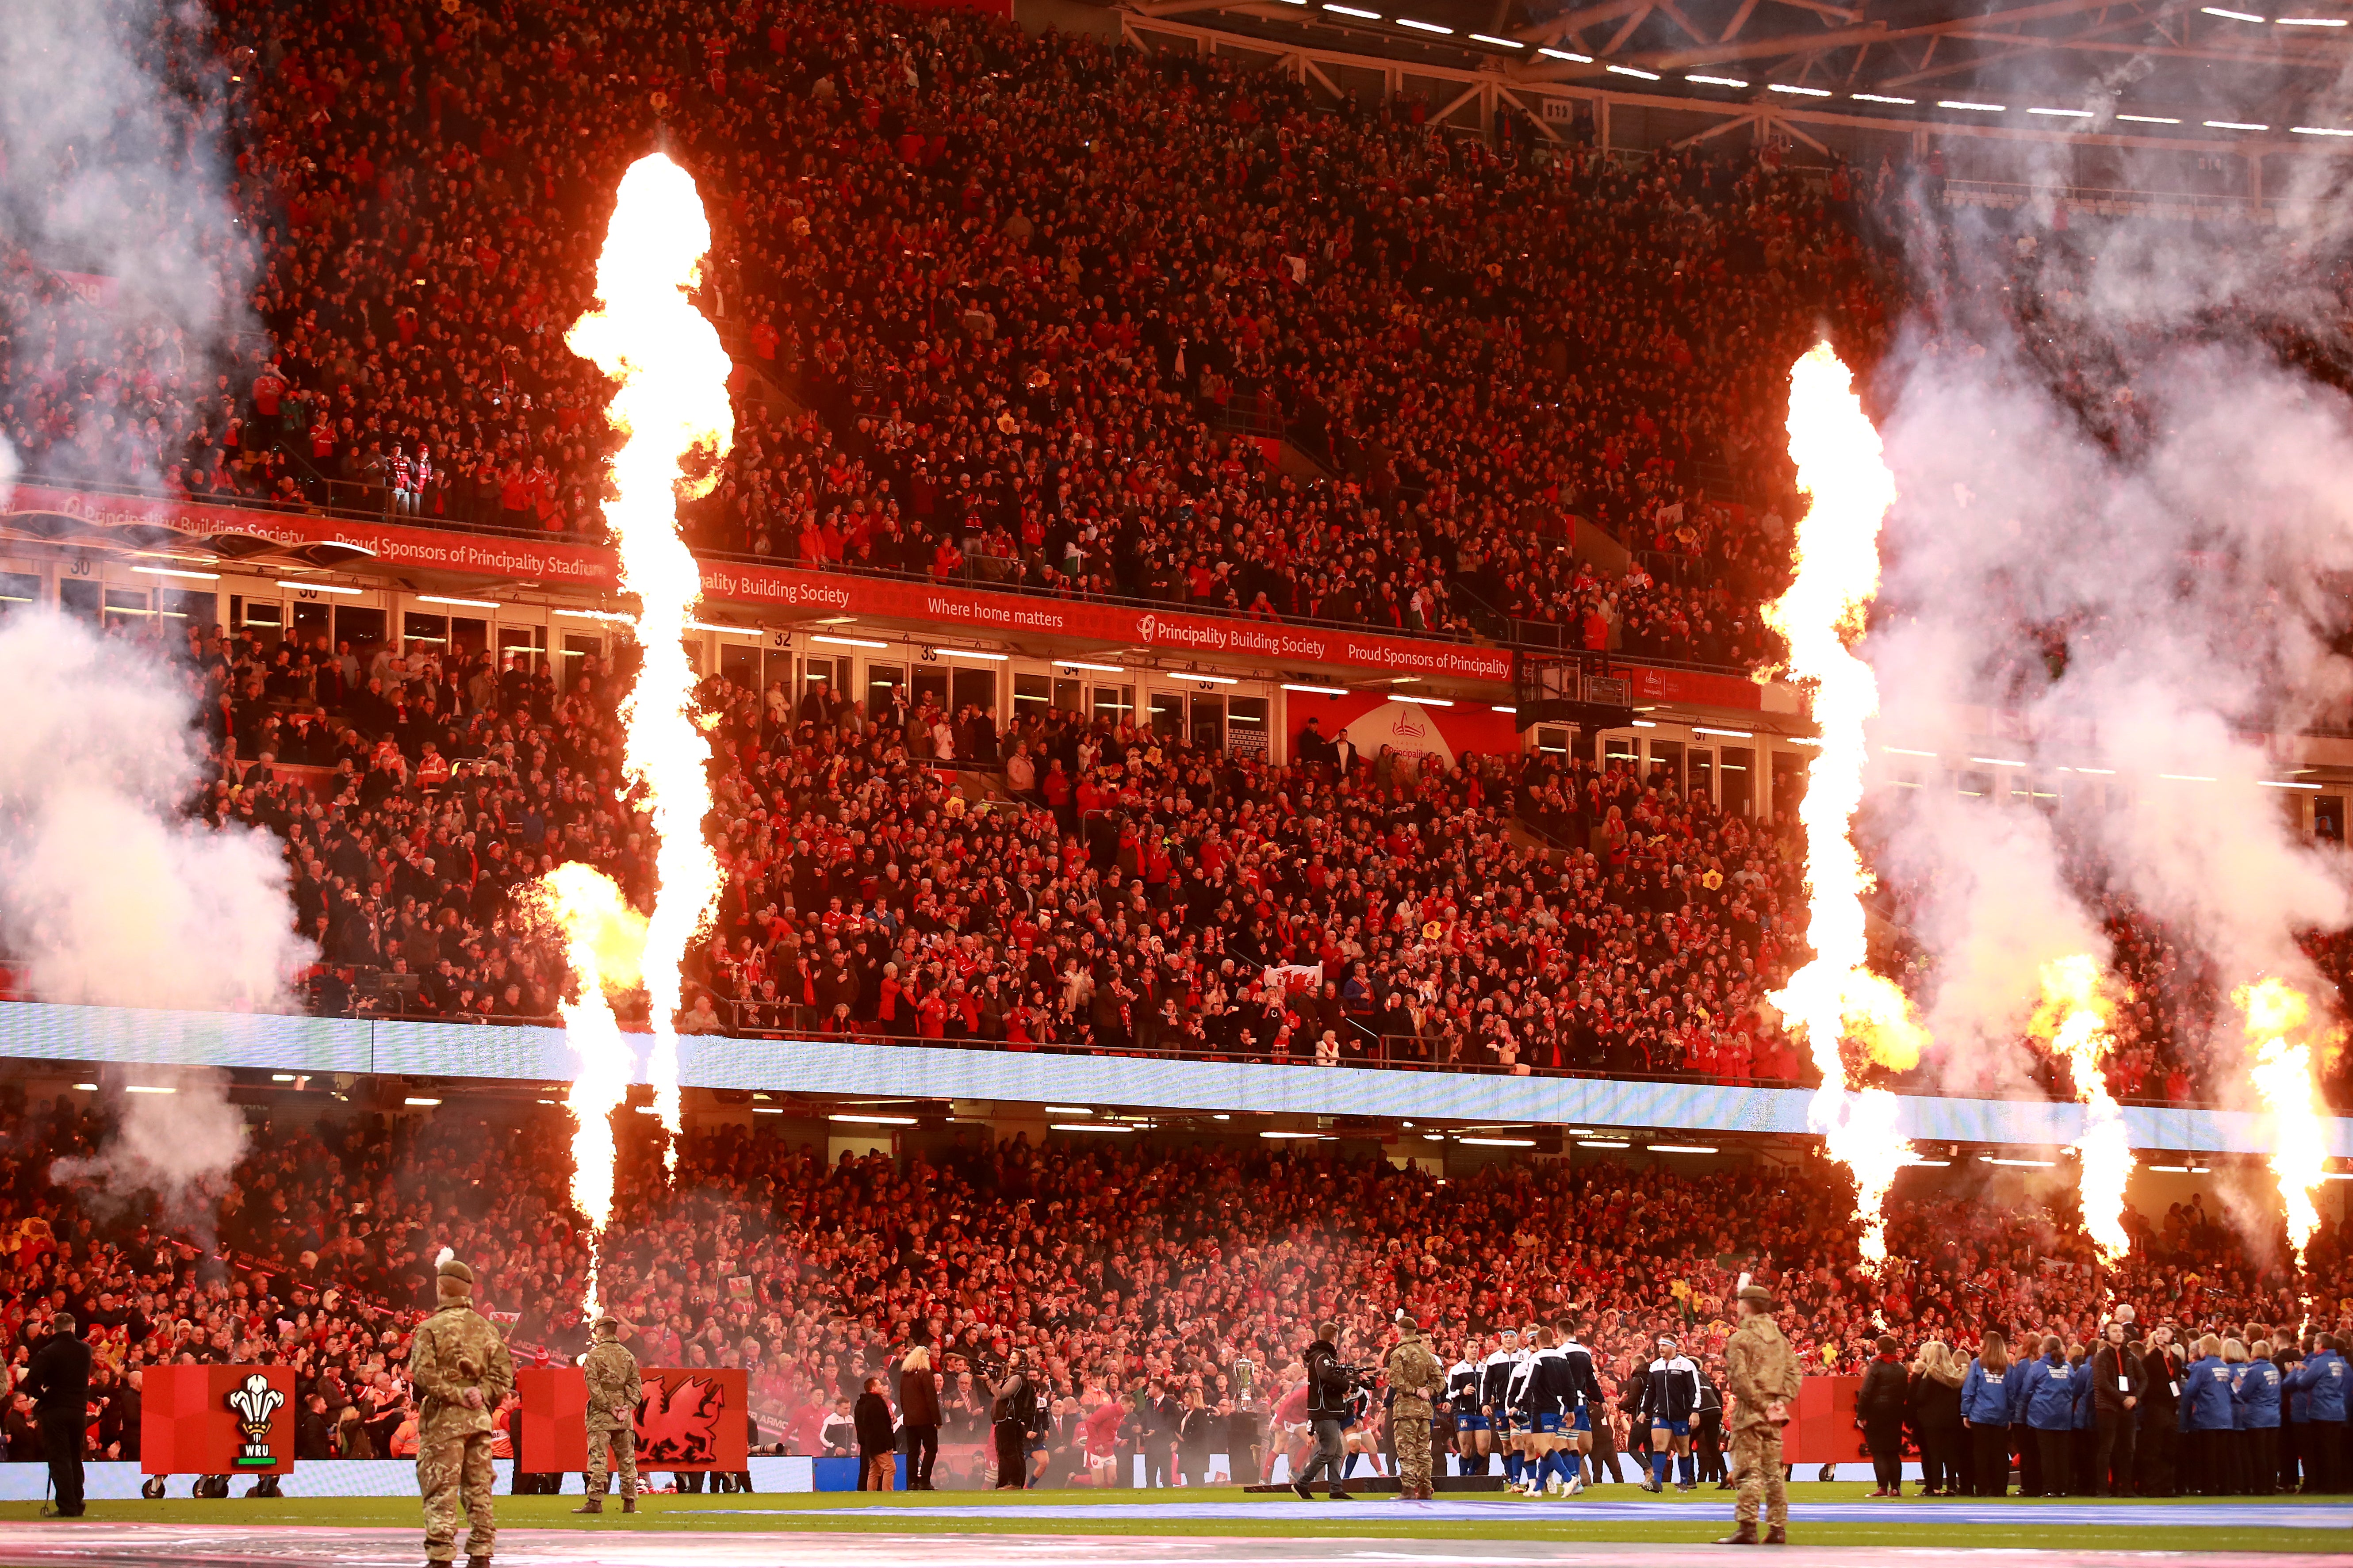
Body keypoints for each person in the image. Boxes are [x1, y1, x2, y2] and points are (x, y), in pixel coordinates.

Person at [409, 1257, 515, 1568]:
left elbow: (423, 1375)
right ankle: (482, 1551)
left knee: (441, 1488)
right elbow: (504, 1376)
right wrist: (480, 1393)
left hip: (444, 1421)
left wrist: (455, 1394)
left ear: (441, 1288)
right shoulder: (487, 1329)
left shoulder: (430, 1328)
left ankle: (441, 1555)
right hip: (479, 1420)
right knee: (479, 1488)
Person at [1718, 1282, 1801, 1546]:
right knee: (1774, 1473)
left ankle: (1747, 1527)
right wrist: (1779, 1402)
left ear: (1745, 1305)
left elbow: (1739, 1380)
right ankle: (1778, 1529)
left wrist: (1760, 1404)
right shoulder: (1781, 1341)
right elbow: (1794, 1375)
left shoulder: (1740, 1339)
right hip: (1773, 1415)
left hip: (1749, 1413)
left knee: (1747, 1471)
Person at [24, 1314, 92, 1518]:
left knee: (59, 1458)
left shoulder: (49, 1351)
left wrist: (41, 1395)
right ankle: (77, 1501)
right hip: (79, 1410)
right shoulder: (85, 1350)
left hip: (56, 1409)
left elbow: (32, 1379)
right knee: (74, 1456)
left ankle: (67, 1505)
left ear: (54, 1329)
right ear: (72, 1328)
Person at [573, 1316, 640, 1514]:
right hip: (624, 1417)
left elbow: (593, 1387)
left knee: (598, 1458)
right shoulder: (628, 1356)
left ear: (601, 1331)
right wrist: (627, 1407)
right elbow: (636, 1387)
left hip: (601, 1416)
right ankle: (630, 1502)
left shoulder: (594, 1356)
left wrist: (609, 1407)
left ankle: (595, 1500)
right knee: (627, 1459)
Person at [1292, 1320, 1355, 1500]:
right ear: (1334, 1338)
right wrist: (1345, 1385)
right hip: (1324, 1409)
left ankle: (1336, 1489)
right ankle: (1302, 1483)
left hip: (1328, 1409)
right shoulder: (1323, 1357)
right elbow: (1328, 1375)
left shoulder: (1320, 1356)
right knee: (1328, 1451)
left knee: (1336, 1451)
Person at [1384, 1311, 1444, 1500]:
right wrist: (1429, 1391)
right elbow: (1440, 1381)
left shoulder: (1398, 1353)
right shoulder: (1428, 1355)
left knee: (1407, 1450)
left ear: (1401, 1332)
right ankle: (1426, 1489)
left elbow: (1396, 1381)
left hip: (1405, 1410)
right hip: (1425, 1411)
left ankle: (1408, 1490)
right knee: (1424, 1451)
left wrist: (1413, 1390)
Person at [1633, 1331, 1702, 1493]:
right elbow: (1650, 1391)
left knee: (1683, 1449)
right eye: (1659, 1346)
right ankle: (1657, 1482)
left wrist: (1695, 1411)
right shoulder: (1655, 1366)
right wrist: (1643, 1411)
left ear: (1673, 1347)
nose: (1660, 1349)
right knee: (1659, 1446)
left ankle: (1684, 1481)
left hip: (1681, 1414)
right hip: (1661, 1413)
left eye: (1663, 1345)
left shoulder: (1686, 1365)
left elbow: (1695, 1390)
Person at [2284, 1332, 2346, 1493]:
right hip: (2338, 1410)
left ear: (2321, 1345)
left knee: (2324, 1450)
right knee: (2334, 1451)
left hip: (2322, 1410)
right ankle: (2335, 1485)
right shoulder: (2338, 1362)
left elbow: (2303, 1383)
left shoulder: (2320, 1362)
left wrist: (2298, 1370)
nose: (2315, 1346)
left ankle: (2325, 1486)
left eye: (2316, 1343)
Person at [2177, 1333, 2235, 1497]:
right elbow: (2231, 1391)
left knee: (2208, 1454)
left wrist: (2186, 1413)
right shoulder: (2225, 1367)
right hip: (2225, 1415)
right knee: (2222, 1454)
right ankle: (2225, 1488)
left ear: (2206, 1349)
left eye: (2202, 1347)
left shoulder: (2202, 1368)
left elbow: (2190, 1391)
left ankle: (2209, 1488)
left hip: (2208, 1415)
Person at [2090, 1320, 2143, 1496]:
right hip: (2108, 1408)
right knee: (2107, 1449)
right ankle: (2103, 1488)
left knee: (2128, 1449)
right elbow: (2102, 1383)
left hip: (2127, 1408)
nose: (2120, 1334)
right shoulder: (2101, 1357)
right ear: (2106, 1335)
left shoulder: (2130, 1356)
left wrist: (2135, 1397)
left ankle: (2126, 1488)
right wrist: (2124, 1399)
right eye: (2115, 1331)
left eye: (2121, 1331)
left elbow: (2143, 1378)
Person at [1959, 1329, 2015, 1497]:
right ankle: (2000, 1489)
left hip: (1980, 1414)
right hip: (2000, 1415)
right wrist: (2010, 1415)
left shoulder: (1978, 1364)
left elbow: (1969, 1390)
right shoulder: (2007, 1367)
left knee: (1981, 1454)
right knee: (2000, 1454)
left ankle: (1982, 1489)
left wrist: (1966, 1412)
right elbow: (2011, 1393)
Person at [1908, 1340, 1966, 1497]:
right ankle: (1952, 1487)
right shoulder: (1957, 1375)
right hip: (1952, 1420)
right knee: (1950, 1454)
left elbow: (1919, 1398)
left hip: (1932, 1421)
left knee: (1935, 1454)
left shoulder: (1930, 1375)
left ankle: (1935, 1488)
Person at [1858, 1334, 1909, 1498]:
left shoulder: (1876, 1366)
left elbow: (1866, 1393)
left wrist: (1861, 1414)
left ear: (1879, 1349)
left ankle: (1882, 1488)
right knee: (1893, 1452)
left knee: (1879, 1451)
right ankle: (1896, 1488)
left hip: (1877, 1413)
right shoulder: (1901, 1367)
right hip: (1895, 1413)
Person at [2138, 1325, 2183, 1497]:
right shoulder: (2149, 1360)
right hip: (2155, 1408)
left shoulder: (2177, 1360)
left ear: (2173, 1337)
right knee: (2153, 1449)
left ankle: (2167, 1486)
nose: (2160, 1336)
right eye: (2158, 1333)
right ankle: (2151, 1487)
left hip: (2172, 1410)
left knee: (2169, 1449)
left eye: (2165, 1333)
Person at [2234, 1339, 2282, 1495]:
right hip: (2273, 1415)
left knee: (2258, 1454)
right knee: (2271, 1453)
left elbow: (2244, 1393)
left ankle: (2260, 1487)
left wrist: (2237, 1386)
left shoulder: (2254, 1371)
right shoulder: (2273, 1368)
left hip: (2257, 1416)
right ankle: (2270, 1485)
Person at [989, 1354, 1039, 1489]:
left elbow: (1001, 1394)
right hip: (1013, 1420)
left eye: (1014, 1358)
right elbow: (995, 1392)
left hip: (1008, 1419)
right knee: (1013, 1452)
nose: (1010, 1360)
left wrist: (988, 1380)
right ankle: (1009, 1483)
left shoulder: (1017, 1378)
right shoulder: (1018, 1378)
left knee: (1009, 1452)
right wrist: (986, 1382)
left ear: (1021, 1362)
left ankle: (1014, 1482)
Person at [898, 1342, 942, 1491]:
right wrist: (937, 1420)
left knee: (913, 1451)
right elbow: (931, 1399)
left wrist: (907, 1416)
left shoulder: (905, 1376)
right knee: (931, 1449)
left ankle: (912, 1482)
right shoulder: (925, 1374)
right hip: (925, 1419)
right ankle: (924, 1480)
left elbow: (902, 1398)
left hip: (910, 1421)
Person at [1447, 1335, 1489, 1477]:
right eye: (1471, 1347)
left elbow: (1491, 1386)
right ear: (1464, 1349)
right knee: (1466, 1448)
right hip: (1463, 1412)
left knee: (1484, 1448)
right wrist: (1462, 1392)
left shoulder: (1485, 1369)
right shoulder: (1457, 1369)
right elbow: (1450, 1393)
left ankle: (1471, 1473)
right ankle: (1463, 1477)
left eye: (1477, 1347)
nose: (1475, 1350)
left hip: (1481, 1413)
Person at [855, 1376, 897, 1491]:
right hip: (879, 1444)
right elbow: (879, 1427)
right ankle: (887, 1494)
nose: (882, 1387)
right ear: (873, 1388)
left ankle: (871, 1495)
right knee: (890, 1468)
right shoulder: (874, 1403)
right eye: (879, 1385)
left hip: (871, 1444)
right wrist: (888, 1446)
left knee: (875, 1470)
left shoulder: (868, 1402)